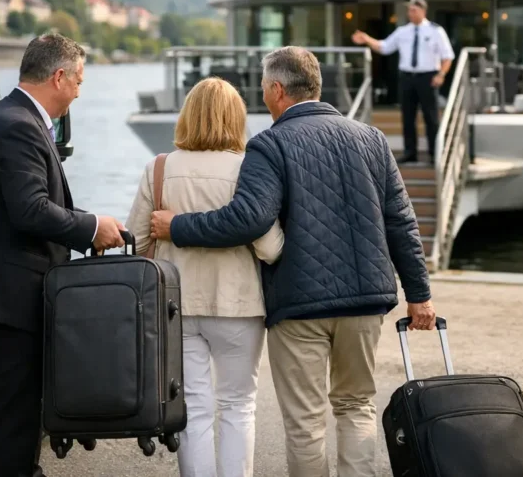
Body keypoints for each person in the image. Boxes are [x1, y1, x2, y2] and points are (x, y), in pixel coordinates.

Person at [149, 46, 434, 477]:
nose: (263, 97)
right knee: (356, 405)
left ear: (278, 90)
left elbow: (248, 219)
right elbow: (401, 222)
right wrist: (420, 296)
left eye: (264, 88)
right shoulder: (371, 138)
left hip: (299, 305)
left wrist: (178, 227)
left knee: (306, 420)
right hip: (365, 302)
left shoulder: (270, 145)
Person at [0, 32, 127, 477]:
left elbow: (32, 205)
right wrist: (90, 227)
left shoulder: (12, 118)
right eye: (78, 81)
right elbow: (30, 210)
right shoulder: (18, 125)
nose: (80, 92)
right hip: (5, 297)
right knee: (12, 419)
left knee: (14, 415)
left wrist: (94, 222)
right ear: (59, 77)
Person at [126, 77, 283, 477]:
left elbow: (137, 240)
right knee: (238, 405)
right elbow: (269, 247)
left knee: (193, 407)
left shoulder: (159, 168)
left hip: (176, 306)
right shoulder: (249, 168)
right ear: (236, 118)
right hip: (239, 305)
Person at [351, 0, 454, 165]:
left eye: (414, 10)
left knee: (431, 117)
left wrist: (441, 74)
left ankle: (435, 154)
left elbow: (447, 56)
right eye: (409, 10)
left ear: (423, 11)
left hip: (428, 77)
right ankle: (410, 152)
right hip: (407, 77)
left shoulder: (436, 31)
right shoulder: (402, 31)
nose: (410, 13)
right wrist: (367, 39)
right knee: (407, 116)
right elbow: (384, 47)